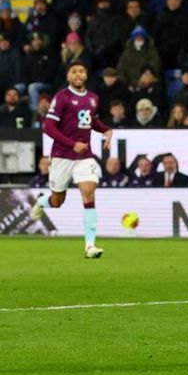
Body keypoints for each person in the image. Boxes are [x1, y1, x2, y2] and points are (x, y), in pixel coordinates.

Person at [31, 61, 113, 259]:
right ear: (68, 76)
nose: (78, 74)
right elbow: (48, 127)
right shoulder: (62, 98)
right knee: (57, 201)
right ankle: (42, 201)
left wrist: (106, 129)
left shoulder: (93, 98)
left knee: (88, 191)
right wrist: (71, 143)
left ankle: (90, 246)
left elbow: (91, 121)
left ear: (86, 75)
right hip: (62, 156)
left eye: (81, 71)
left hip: (84, 156)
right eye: (74, 71)